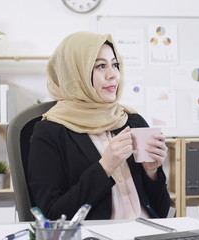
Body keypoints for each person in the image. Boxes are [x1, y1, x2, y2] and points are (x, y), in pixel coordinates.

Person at [27, 31, 171, 220]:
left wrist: (152, 173)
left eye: (115, 65)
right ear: (76, 73)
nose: (113, 75)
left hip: (146, 232)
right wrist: (105, 167)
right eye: (101, 66)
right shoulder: (49, 133)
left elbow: (161, 211)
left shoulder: (132, 121)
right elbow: (52, 216)